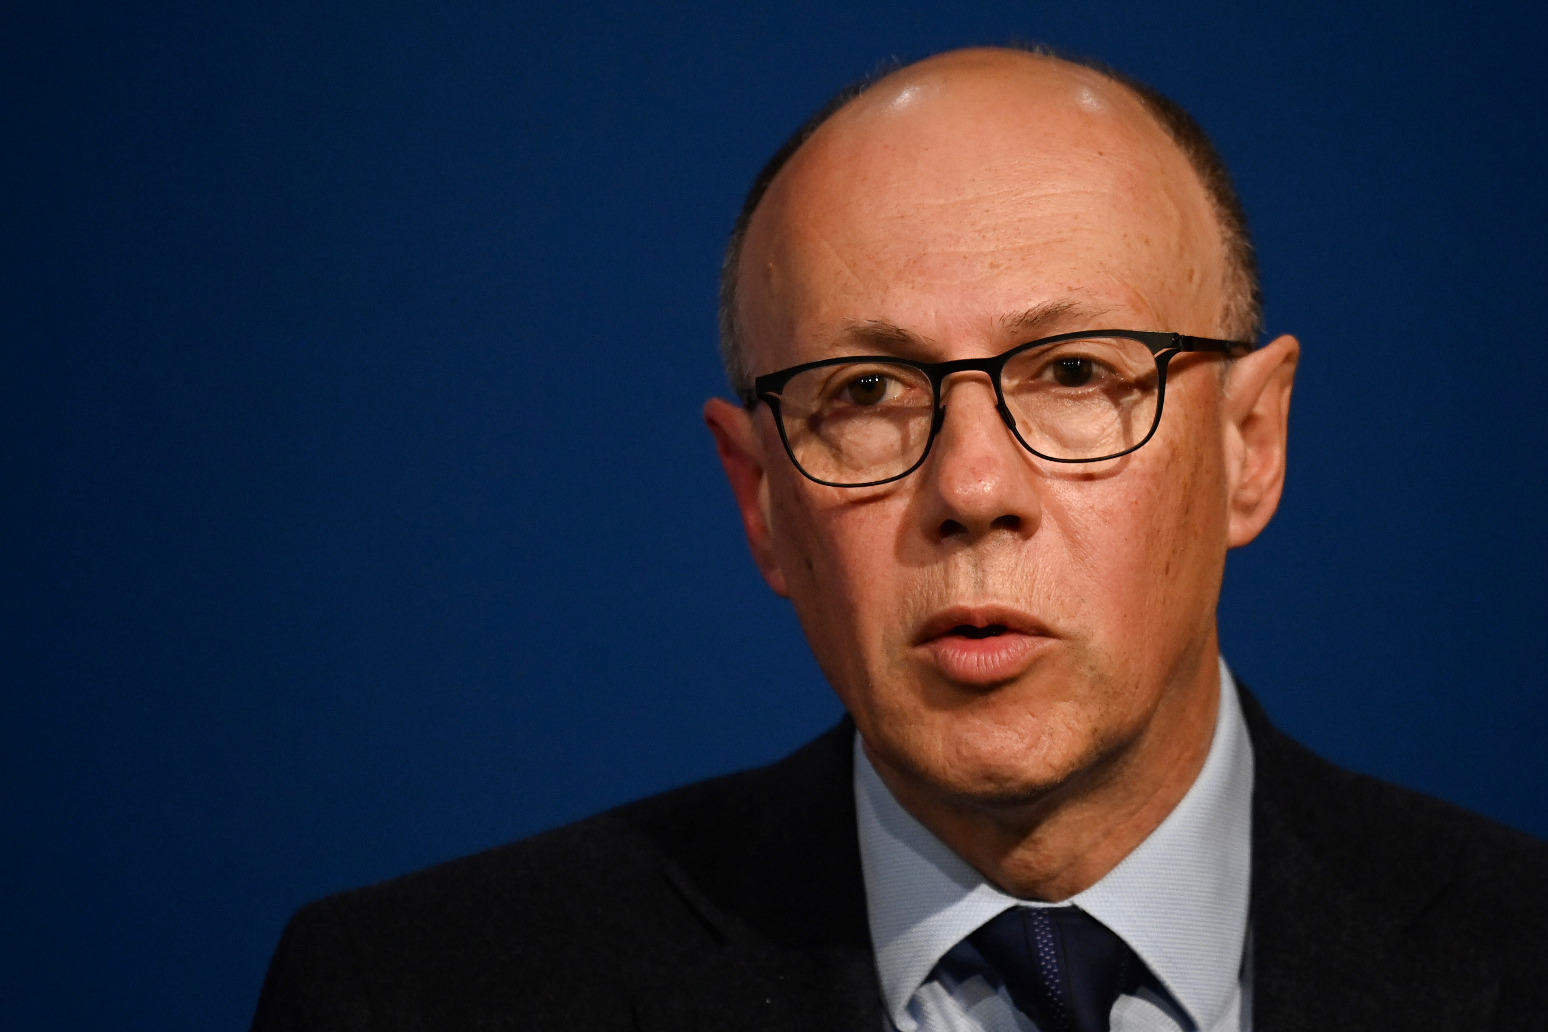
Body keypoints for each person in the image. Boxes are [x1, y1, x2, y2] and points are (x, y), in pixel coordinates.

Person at [250, 47, 1548, 1032]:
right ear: (761, 498)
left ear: (1248, 444)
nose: (973, 486)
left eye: (1076, 372)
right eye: (866, 393)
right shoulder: (413, 996)